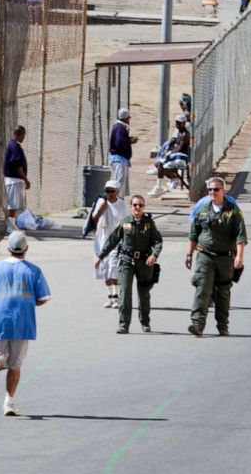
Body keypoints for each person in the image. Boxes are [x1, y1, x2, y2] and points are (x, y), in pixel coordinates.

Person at [0, 231, 51, 417]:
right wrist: (30, 301)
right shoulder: (34, 271)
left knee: (0, 355)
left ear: (8, 248)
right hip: (22, 323)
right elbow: (44, 298)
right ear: (26, 249)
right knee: (16, 365)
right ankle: (8, 402)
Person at [186, 177, 247, 337]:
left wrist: (239, 257)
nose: (212, 192)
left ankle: (222, 326)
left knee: (223, 291)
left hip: (225, 258)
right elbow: (194, 234)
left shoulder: (233, 211)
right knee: (202, 288)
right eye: (210, 189)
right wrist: (189, 254)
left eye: (216, 189)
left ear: (223, 191)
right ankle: (197, 323)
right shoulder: (202, 209)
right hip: (205, 254)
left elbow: (241, 235)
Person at [98, 194, 162, 334]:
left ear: (144, 207)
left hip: (144, 262)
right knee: (125, 292)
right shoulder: (125, 222)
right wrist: (101, 256)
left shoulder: (149, 223)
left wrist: (154, 255)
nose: (137, 207)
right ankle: (123, 324)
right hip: (127, 261)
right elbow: (113, 240)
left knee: (144, 294)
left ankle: (145, 322)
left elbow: (157, 241)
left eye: (140, 205)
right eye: (135, 205)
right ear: (131, 207)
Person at [91, 180, 129, 308]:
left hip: (116, 240)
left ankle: (116, 296)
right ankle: (110, 297)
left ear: (117, 191)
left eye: (112, 191)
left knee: (113, 267)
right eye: (107, 191)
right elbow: (94, 221)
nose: (109, 194)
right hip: (102, 239)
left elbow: (128, 223)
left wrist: (127, 239)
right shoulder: (101, 203)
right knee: (104, 269)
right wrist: (101, 209)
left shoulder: (122, 205)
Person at [148, 114, 190, 197]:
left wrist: (169, 153)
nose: (177, 124)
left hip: (181, 157)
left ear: (184, 123)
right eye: (177, 122)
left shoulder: (185, 134)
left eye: (179, 123)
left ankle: (159, 187)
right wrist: (167, 149)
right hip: (175, 155)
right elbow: (173, 143)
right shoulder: (178, 133)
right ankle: (173, 178)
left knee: (161, 164)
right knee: (158, 164)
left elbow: (180, 148)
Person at [3, 126, 30, 233]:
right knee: (12, 205)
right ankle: (10, 227)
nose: (24, 138)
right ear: (19, 134)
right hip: (13, 179)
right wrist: (26, 180)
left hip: (14, 180)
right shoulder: (14, 146)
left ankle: (12, 225)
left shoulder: (13, 145)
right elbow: (17, 165)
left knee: (14, 204)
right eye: (23, 135)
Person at [109, 108, 137, 197]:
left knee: (121, 182)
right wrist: (130, 141)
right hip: (119, 159)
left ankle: (119, 200)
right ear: (125, 118)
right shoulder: (119, 128)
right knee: (119, 182)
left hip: (121, 159)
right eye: (128, 117)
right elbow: (119, 143)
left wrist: (129, 139)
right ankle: (116, 200)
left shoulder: (121, 127)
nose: (129, 119)